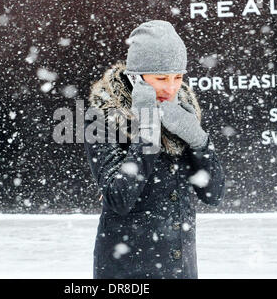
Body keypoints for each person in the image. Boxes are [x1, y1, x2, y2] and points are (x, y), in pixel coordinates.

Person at [84, 20, 225, 278]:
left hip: (181, 269)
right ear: (137, 76)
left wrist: (197, 138)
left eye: (178, 77)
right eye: (161, 78)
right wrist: (148, 129)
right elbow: (119, 198)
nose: (172, 88)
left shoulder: (181, 110)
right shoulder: (103, 116)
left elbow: (213, 194)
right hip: (128, 270)